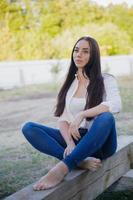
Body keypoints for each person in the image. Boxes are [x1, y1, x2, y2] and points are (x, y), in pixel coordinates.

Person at [21, 36, 122, 191]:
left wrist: (82, 114)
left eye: (85, 51)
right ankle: (78, 160)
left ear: (93, 55)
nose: (78, 55)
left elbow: (115, 104)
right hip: (77, 139)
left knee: (106, 117)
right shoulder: (68, 83)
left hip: (100, 142)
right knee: (29, 128)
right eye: (76, 50)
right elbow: (62, 119)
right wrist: (69, 143)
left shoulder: (106, 79)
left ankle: (63, 167)